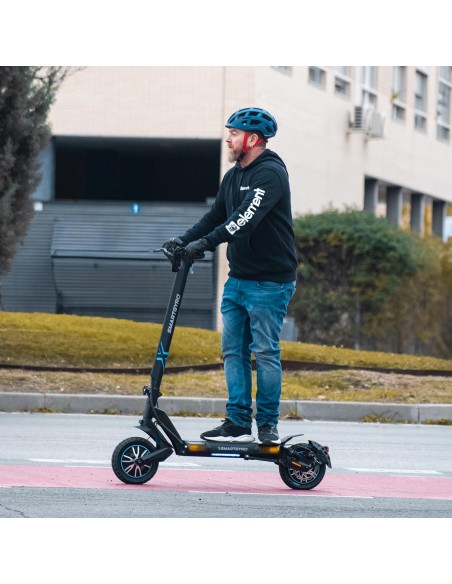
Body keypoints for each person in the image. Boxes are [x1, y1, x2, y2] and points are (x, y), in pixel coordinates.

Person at [163, 107, 297, 445]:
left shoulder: (270, 174)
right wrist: (183, 240)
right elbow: (216, 216)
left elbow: (244, 219)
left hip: (270, 282)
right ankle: (237, 420)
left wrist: (205, 244)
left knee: (264, 352)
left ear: (253, 139)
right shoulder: (234, 175)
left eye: (234, 133)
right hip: (238, 279)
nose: (228, 139)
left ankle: (267, 424)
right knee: (233, 351)